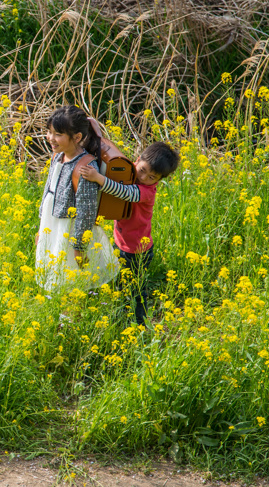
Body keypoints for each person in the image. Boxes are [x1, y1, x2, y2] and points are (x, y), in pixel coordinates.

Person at [76, 141, 180, 326]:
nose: (144, 177)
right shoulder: (129, 170)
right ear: (138, 160)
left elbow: (125, 192)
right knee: (121, 283)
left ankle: (140, 325)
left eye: (152, 177)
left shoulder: (146, 192)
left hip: (137, 251)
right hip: (121, 243)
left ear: (159, 180)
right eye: (142, 170)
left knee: (136, 289)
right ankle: (123, 318)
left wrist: (98, 178)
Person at [36, 106, 119, 294]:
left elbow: (86, 211)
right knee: (55, 272)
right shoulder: (58, 156)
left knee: (73, 277)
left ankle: (72, 316)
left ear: (77, 137)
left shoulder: (85, 167)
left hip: (70, 231)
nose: (50, 138)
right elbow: (47, 191)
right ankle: (58, 307)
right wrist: (41, 228)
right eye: (49, 132)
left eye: (57, 134)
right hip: (53, 225)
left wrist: (79, 246)